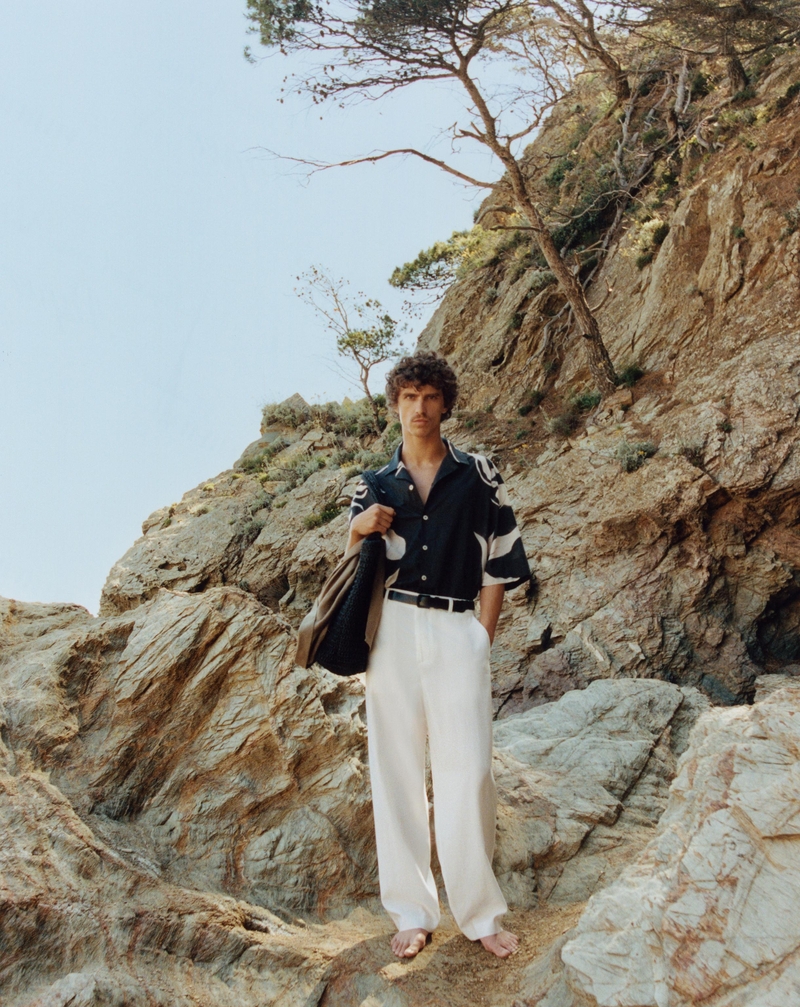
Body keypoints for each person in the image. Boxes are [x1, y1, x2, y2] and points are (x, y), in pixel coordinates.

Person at [347, 350, 531, 960]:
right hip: (392, 629)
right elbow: (348, 564)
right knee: (395, 769)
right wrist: (358, 527)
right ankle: (412, 912)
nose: (419, 409)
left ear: (444, 403)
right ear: (395, 404)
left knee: (468, 769)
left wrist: (483, 633)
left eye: (429, 397)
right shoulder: (373, 484)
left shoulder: (478, 475)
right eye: (408, 398)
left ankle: (479, 913)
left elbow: (501, 559)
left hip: (458, 627)